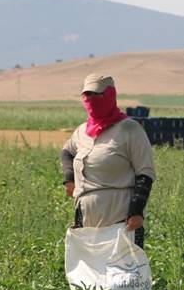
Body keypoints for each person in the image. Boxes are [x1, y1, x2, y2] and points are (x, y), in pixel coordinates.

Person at [60, 74, 155, 248]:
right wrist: (69, 179)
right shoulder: (82, 132)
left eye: (96, 94)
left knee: (123, 273)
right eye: (87, 95)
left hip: (121, 219)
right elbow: (66, 152)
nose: (91, 99)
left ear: (110, 95)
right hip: (86, 219)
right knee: (88, 274)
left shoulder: (129, 129)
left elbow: (145, 173)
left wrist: (136, 212)